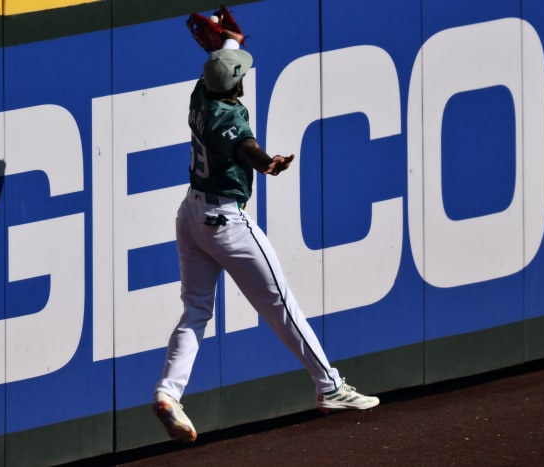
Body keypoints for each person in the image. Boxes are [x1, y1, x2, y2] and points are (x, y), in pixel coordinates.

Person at [153, 31, 379, 443]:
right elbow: (245, 147)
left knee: (196, 310)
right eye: (240, 73)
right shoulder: (227, 116)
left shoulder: (201, 93)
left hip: (190, 215)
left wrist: (229, 42)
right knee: (281, 305)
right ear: (235, 84)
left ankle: (168, 393)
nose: (244, 76)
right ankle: (330, 386)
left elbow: (220, 70)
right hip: (225, 223)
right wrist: (267, 162)